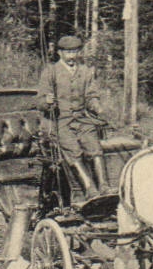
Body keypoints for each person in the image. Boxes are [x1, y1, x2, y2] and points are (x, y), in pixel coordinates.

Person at [37, 34, 108, 195]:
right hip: (60, 122)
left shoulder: (85, 72)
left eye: (75, 52)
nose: (72, 56)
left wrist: (97, 107)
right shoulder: (51, 72)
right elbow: (39, 102)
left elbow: (91, 96)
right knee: (73, 150)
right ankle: (89, 188)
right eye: (68, 53)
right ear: (60, 53)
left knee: (94, 147)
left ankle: (103, 186)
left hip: (83, 120)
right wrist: (47, 102)